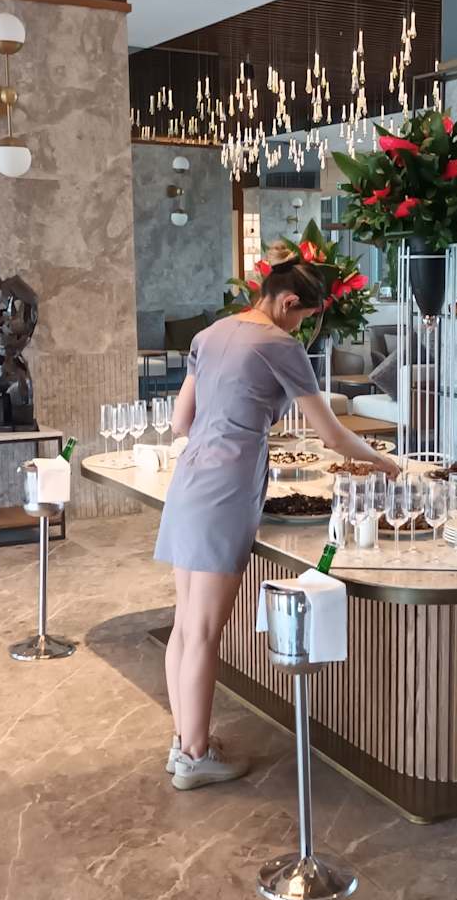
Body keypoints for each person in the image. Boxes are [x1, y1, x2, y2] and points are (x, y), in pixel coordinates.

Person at [153, 256, 400, 792]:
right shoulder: (279, 345)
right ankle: (195, 758)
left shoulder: (209, 334)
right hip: (226, 489)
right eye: (304, 318)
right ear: (289, 303)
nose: (302, 329)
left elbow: (180, 421)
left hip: (191, 479)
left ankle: (184, 744)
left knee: (185, 624)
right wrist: (385, 462)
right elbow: (332, 435)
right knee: (204, 631)